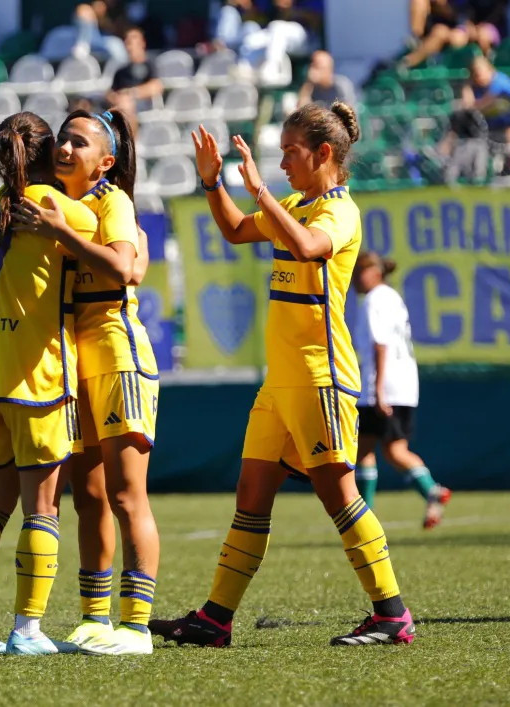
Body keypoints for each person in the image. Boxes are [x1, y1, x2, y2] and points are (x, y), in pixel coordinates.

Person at [150, 101, 416, 648]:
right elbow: (234, 230)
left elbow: (308, 245)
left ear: (324, 154)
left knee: (338, 495)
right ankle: (215, 618)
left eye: (291, 153)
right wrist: (211, 182)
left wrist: (260, 190)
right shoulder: (296, 201)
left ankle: (392, 614)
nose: (283, 164)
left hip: (321, 377)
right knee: (251, 492)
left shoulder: (338, 212)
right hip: (282, 383)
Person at [0, 108, 159, 655]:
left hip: (117, 350)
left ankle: (137, 626)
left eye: (80, 141)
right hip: (72, 356)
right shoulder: (46, 200)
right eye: (63, 139)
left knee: (125, 495)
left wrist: (55, 229)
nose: (67, 148)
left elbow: (127, 269)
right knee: (89, 496)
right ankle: (96, 617)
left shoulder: (108, 202)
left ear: (106, 161)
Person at [0, 112, 98, 656]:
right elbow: (116, 243)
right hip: (37, 378)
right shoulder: (55, 206)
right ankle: (27, 630)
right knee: (42, 510)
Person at [352, 251, 451, 530]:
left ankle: (366, 514)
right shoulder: (392, 297)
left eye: (359, 272)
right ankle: (430, 491)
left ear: (374, 273)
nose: (354, 279)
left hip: (382, 386)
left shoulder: (375, 300)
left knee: (373, 449)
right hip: (404, 384)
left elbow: (380, 345)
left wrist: (379, 389)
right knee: (384, 448)